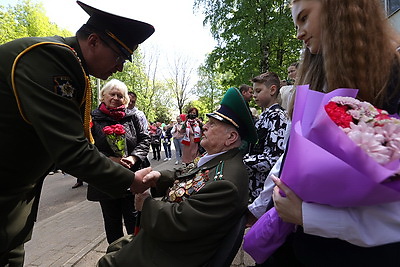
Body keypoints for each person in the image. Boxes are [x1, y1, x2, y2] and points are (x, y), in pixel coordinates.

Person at [0, 1, 154, 265]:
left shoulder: (71, 66)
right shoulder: (52, 59)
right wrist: (130, 180)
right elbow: (71, 151)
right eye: (119, 56)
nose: (120, 68)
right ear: (93, 41)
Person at [271, 0, 400, 266]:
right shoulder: (316, 82)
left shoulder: (393, 79)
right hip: (309, 249)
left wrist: (310, 216)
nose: (298, 34)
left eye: (304, 18)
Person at [97, 87, 258, 267]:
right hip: (172, 243)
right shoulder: (220, 160)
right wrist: (157, 176)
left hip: (173, 253)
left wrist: (146, 204)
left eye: (212, 124)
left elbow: (180, 222)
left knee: (107, 262)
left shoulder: (226, 182)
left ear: (231, 137)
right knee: (115, 247)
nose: (204, 126)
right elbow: (188, 172)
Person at [86, 79, 150, 244]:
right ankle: (115, 256)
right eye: (112, 94)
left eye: (120, 95)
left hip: (130, 176)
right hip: (105, 178)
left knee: (134, 219)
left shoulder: (133, 117)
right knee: (112, 222)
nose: (115, 98)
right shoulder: (93, 118)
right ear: (103, 96)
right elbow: (87, 146)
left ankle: (135, 254)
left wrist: (133, 157)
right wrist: (109, 159)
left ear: (126, 100)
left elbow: (144, 139)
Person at [243, 72, 289, 203]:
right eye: (253, 91)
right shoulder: (264, 116)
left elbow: (273, 158)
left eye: (258, 91)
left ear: (273, 90)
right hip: (254, 186)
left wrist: (242, 161)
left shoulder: (277, 116)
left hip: (264, 188)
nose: (254, 95)